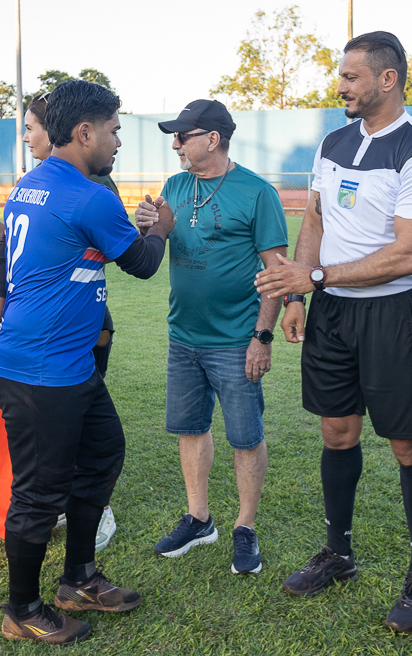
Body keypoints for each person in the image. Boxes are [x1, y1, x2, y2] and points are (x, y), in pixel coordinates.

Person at [254, 31, 412, 634]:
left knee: (407, 443)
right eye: (341, 75)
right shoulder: (334, 141)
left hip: (392, 314)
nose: (340, 85)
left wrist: (314, 276)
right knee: (336, 432)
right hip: (332, 313)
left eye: (350, 76)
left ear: (387, 80)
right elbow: (315, 220)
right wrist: (298, 295)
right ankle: (337, 553)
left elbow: (409, 254)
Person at [0, 80, 173, 645]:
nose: (118, 141)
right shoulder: (90, 196)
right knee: (39, 493)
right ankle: (22, 610)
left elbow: (60, 250)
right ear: (85, 132)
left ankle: (79, 579)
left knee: (102, 453)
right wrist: (161, 228)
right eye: (114, 130)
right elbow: (142, 263)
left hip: (62, 363)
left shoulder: (32, 183)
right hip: (41, 369)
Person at [134, 99, 288, 576]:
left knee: (245, 436)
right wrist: (147, 226)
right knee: (190, 428)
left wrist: (262, 336)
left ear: (212, 139)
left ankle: (245, 526)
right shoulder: (175, 187)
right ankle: (199, 519)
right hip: (183, 335)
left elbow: (277, 272)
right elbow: (155, 244)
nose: (175, 145)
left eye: (183, 136)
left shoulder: (257, 192)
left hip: (236, 339)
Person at [0, 93, 120, 551]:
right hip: (41, 350)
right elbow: (11, 253)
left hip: (72, 336)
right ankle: (41, 596)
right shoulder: (35, 186)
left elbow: (111, 249)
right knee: (47, 480)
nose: (29, 137)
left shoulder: (84, 185)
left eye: (31, 128)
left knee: (95, 446)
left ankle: (88, 546)